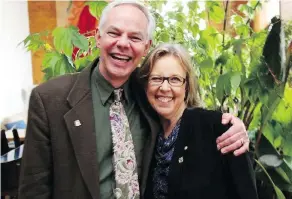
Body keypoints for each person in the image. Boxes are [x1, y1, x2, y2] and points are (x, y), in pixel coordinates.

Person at [19, 1, 249, 199]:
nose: (123, 44)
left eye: (135, 37)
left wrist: (234, 127)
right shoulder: (50, 100)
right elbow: (33, 190)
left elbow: (183, 115)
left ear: (145, 46)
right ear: (98, 37)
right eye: (114, 33)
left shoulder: (149, 94)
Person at [137, 43, 258, 199]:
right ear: (146, 84)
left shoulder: (218, 128)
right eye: (156, 79)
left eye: (175, 79)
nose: (165, 87)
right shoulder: (149, 134)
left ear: (186, 86)